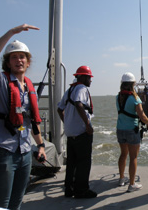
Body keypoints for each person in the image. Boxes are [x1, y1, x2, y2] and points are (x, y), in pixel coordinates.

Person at [0, 24, 47, 210]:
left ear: (28, 62)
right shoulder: (1, 81)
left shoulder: (28, 88)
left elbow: (31, 121)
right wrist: (11, 33)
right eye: (14, 57)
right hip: (3, 152)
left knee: (17, 202)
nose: (19, 60)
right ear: (8, 62)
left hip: (25, 153)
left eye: (22, 56)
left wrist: (40, 146)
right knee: (0, 204)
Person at [57, 66, 97, 199]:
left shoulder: (69, 90)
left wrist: (67, 122)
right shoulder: (81, 89)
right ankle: (82, 190)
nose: (91, 81)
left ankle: (69, 189)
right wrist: (87, 125)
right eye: (89, 78)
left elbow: (59, 109)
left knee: (71, 163)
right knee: (84, 162)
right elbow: (79, 104)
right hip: (81, 133)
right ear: (83, 77)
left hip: (70, 133)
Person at [116, 72, 148, 192]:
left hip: (120, 130)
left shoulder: (118, 97)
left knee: (123, 154)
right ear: (133, 84)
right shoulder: (135, 98)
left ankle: (121, 179)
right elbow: (141, 115)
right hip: (132, 130)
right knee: (133, 157)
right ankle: (132, 184)